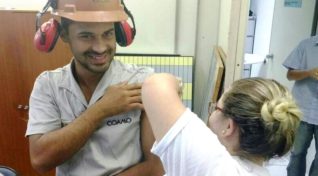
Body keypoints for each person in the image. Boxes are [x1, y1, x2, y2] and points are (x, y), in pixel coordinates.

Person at [25, 0, 164, 175]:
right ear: (64, 35)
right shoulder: (48, 86)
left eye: (108, 34)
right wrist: (101, 110)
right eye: (86, 36)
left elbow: (155, 167)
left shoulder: (141, 81)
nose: (100, 48)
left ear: (120, 33)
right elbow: (40, 160)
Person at [141, 73, 301, 176]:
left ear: (229, 127)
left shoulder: (214, 165)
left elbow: (155, 86)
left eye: (216, 107)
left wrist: (177, 83)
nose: (211, 113)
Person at [283, 35, 318, 176]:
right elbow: (289, 75)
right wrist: (308, 73)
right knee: (297, 153)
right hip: (302, 111)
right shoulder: (305, 45)